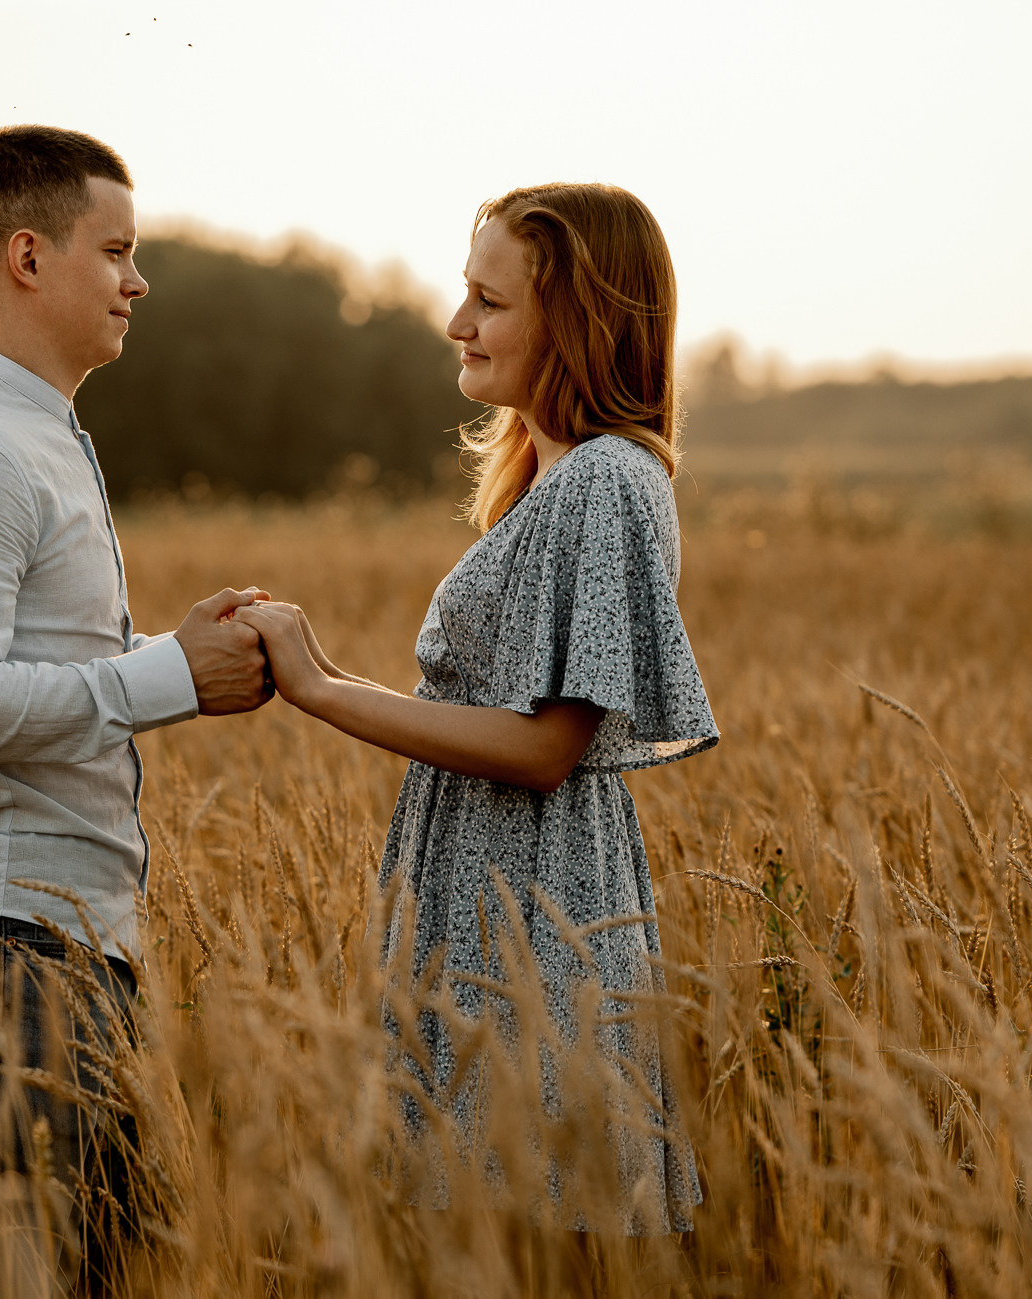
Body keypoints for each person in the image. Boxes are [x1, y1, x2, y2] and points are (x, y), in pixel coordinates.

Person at [235, 182, 718, 1234]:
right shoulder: (555, 483)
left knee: (527, 1234)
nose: (458, 323)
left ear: (576, 318)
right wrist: (314, 660)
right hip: (485, 905)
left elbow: (546, 746)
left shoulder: (605, 482)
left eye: (487, 301)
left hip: (533, 921)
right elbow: (491, 716)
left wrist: (320, 690)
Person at [0, 126, 271, 1281]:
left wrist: (183, 656)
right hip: (5, 941)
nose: (138, 281)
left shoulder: (30, 434)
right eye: (117, 251)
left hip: (52, 940)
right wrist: (168, 676)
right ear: (28, 257)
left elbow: (26, 665)